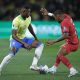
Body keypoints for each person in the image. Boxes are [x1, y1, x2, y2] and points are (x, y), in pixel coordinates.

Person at [0, 6, 44, 74]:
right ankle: (0, 68)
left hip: (24, 38)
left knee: (40, 44)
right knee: (12, 53)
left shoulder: (28, 17)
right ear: (23, 12)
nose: (29, 13)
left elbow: (29, 26)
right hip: (15, 39)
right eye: (28, 12)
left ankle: (34, 65)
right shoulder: (16, 20)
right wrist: (24, 44)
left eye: (30, 11)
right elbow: (14, 36)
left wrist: (35, 37)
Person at [40, 8, 79, 77]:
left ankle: (72, 70)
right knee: (59, 52)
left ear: (59, 16)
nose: (55, 19)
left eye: (55, 18)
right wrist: (48, 13)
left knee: (60, 55)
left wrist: (54, 41)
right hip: (74, 41)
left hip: (72, 43)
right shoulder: (67, 16)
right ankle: (54, 68)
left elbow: (65, 35)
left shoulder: (64, 22)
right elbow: (55, 15)